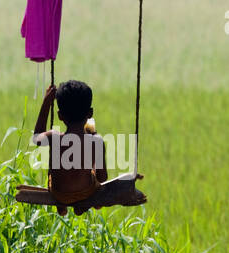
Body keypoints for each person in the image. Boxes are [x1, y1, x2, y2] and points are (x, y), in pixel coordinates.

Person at [32, 81, 145, 215]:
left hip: (59, 193)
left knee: (54, 174)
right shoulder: (96, 141)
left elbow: (36, 138)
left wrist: (46, 103)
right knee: (92, 183)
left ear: (60, 116)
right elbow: (102, 177)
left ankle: (62, 206)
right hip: (85, 193)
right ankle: (82, 207)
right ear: (90, 113)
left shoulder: (54, 137)